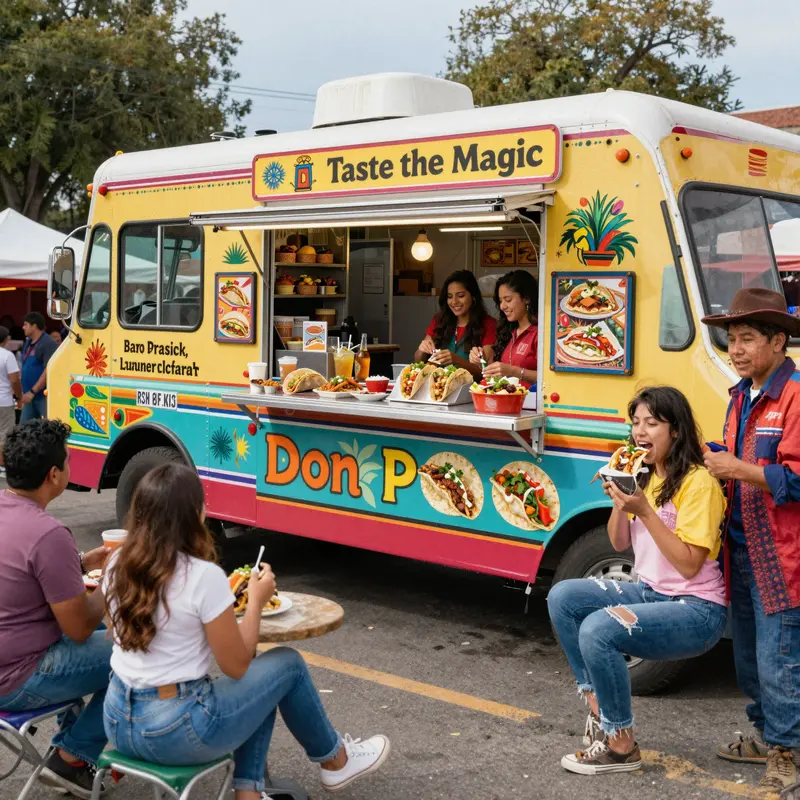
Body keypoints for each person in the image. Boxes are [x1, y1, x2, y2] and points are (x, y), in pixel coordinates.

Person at [102, 464, 390, 800]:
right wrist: (255, 601)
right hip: (174, 732)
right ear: (194, 515)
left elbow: (121, 630)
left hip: (119, 722)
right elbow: (237, 665)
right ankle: (335, 761)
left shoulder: (116, 562)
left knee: (262, 681)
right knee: (285, 666)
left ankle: (250, 793)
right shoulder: (201, 576)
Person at [548, 386, 728, 775]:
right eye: (635, 423)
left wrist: (644, 509)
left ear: (676, 431)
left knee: (598, 628)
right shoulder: (644, 476)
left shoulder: (699, 483)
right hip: (650, 592)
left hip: (696, 609)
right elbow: (618, 543)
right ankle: (599, 711)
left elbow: (688, 566)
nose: (640, 432)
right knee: (563, 596)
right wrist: (620, 494)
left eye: (652, 423)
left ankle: (621, 745)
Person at [701, 288, 800, 793]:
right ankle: (767, 735)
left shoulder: (796, 395)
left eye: (746, 339)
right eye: (730, 339)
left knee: (778, 659)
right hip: (740, 548)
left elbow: (797, 479)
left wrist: (737, 466)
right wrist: (710, 453)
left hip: (783, 556)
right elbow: (737, 459)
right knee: (746, 656)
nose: (735, 349)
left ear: (779, 341)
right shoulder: (742, 394)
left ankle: (787, 753)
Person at [0, 419, 112, 796]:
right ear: (53, 475)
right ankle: (73, 755)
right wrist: (115, 580)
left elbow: (21, 572)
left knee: (108, 634)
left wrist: (82, 563)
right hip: (17, 677)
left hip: (9, 656)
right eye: (68, 460)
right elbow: (78, 626)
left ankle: (70, 747)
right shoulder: (48, 534)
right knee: (139, 651)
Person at [414, 270, 496, 377]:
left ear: (473, 296)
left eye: (460, 295)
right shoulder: (439, 320)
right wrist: (422, 350)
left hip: (471, 390)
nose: (454, 301)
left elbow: (485, 371)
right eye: (449, 296)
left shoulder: (489, 324)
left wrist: (456, 360)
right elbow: (417, 361)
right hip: (438, 387)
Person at [469, 269, 538, 388]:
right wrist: (480, 361)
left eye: (508, 300)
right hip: (506, 401)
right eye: (500, 301)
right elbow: (494, 375)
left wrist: (514, 372)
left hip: (531, 403)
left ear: (526, 298)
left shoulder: (540, 333)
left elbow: (550, 378)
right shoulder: (507, 332)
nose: (502, 306)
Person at [19, 311, 58, 422]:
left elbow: (48, 371)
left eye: (26, 324)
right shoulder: (28, 342)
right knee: (23, 431)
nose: (23, 327)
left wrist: (33, 391)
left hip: (42, 397)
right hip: (29, 396)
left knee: (47, 429)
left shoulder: (48, 343)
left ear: (34, 325)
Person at [0, 326, 22, 473]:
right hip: (4, 400)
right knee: (4, 433)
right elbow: (14, 380)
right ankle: (2, 465)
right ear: (6, 339)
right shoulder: (7, 356)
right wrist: (19, 396)